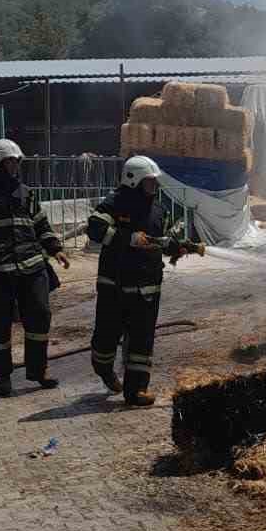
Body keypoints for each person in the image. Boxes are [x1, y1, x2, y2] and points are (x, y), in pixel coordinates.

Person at [0, 139, 70, 397]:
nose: (15, 166)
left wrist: (56, 249)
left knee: (40, 316)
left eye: (17, 161)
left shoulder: (24, 192)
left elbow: (40, 223)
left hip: (32, 266)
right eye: (10, 161)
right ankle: (4, 377)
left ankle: (38, 370)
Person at [86, 155, 169, 407]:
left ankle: (136, 391)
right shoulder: (114, 203)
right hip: (115, 285)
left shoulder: (158, 210)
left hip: (147, 287)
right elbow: (95, 228)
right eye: (149, 181)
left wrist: (176, 246)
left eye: (155, 181)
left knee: (142, 339)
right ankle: (103, 368)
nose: (154, 186)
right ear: (133, 180)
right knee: (106, 338)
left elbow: (165, 238)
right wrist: (128, 238)